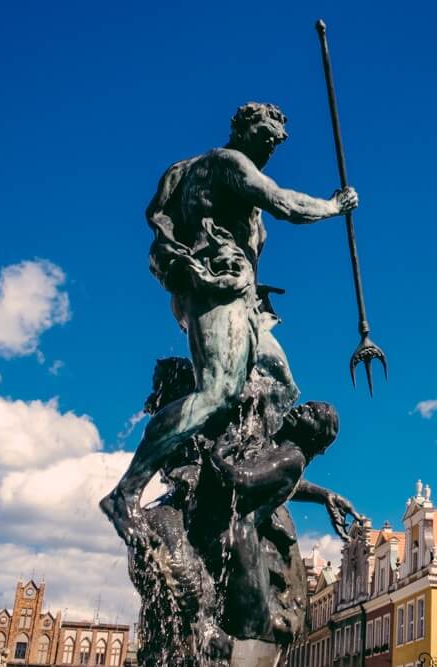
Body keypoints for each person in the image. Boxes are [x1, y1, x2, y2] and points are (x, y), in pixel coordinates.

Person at [101, 102, 358, 546]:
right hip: (215, 285)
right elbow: (285, 204)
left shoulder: (236, 179)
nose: (271, 144)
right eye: (263, 133)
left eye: (277, 140)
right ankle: (125, 492)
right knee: (218, 393)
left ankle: (255, 487)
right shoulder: (227, 163)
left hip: (244, 298)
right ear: (241, 128)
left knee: (278, 385)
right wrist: (334, 207)